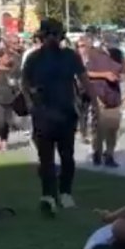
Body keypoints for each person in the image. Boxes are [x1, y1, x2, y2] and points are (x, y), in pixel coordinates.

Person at [23, 18, 91, 216]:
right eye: (49, 34)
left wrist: (94, 102)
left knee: (67, 156)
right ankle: (48, 195)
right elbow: (24, 83)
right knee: (46, 159)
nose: (52, 38)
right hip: (43, 114)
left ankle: (65, 192)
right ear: (43, 36)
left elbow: (84, 79)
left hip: (66, 113)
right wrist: (29, 102)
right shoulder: (33, 58)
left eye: (55, 34)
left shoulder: (71, 56)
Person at [82, 39, 123, 168]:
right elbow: (86, 73)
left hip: (113, 97)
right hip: (100, 97)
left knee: (113, 128)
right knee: (100, 129)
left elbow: (121, 71)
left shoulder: (115, 56)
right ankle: (97, 153)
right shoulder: (94, 58)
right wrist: (105, 75)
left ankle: (109, 154)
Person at [0, 50, 24, 153]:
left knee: (7, 122)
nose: (9, 59)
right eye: (6, 57)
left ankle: (4, 142)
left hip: (11, 98)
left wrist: (15, 84)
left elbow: (20, 82)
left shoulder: (14, 69)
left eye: (10, 57)